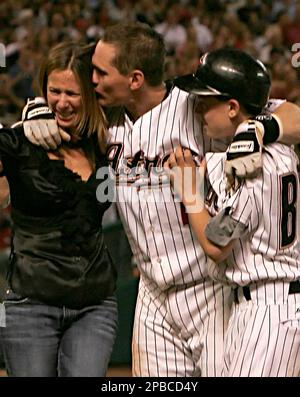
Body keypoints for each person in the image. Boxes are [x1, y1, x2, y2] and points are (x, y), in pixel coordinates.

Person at [20, 22, 300, 377]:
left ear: (134, 79)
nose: (92, 80)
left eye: (101, 72)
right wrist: (36, 112)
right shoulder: (103, 115)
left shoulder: (197, 105)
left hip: (210, 289)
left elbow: (292, 113)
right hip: (151, 293)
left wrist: (261, 127)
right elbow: (57, 108)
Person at [166, 48, 300, 377]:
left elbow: (216, 245)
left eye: (206, 102)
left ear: (232, 107)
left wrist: (189, 192)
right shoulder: (275, 141)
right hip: (261, 305)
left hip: (271, 308)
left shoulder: (250, 163)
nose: (198, 110)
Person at [0, 41, 118, 377]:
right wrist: (20, 124)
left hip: (96, 304)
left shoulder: (108, 141)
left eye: (73, 93)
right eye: (54, 92)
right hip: (30, 306)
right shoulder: (21, 143)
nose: (62, 103)